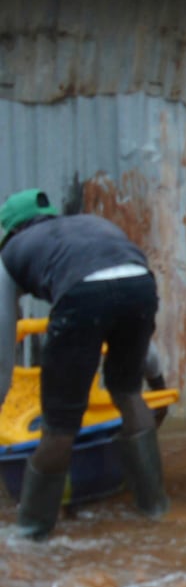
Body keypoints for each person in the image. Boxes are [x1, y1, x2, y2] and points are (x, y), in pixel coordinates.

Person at [0, 188, 168, 539]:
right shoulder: (92, 227)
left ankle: (31, 535)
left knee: (60, 423)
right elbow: (120, 288)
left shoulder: (12, 252)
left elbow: (3, 343)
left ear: (12, 230)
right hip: (140, 284)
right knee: (127, 391)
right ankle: (155, 511)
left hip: (81, 296)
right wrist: (157, 379)